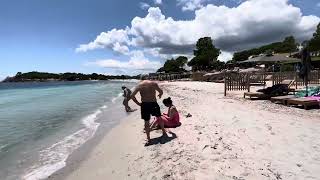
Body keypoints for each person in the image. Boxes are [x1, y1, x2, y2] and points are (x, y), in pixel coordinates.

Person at [130, 79, 168, 144]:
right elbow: (161, 91)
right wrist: (160, 95)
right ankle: (164, 132)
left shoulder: (140, 85)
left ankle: (148, 139)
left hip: (144, 105)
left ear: (141, 79)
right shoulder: (153, 83)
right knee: (159, 118)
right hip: (153, 103)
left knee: (146, 122)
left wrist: (138, 103)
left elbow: (132, 96)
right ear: (148, 78)